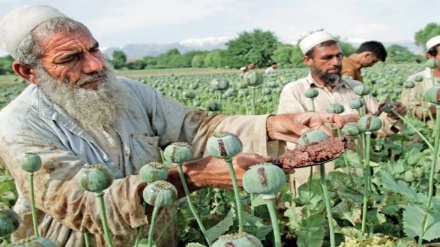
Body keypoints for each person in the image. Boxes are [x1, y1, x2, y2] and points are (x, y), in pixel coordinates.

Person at [0, 5, 349, 247]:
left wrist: (273, 124)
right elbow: (85, 206)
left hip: (157, 237)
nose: (95, 65)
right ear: (28, 72)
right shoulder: (18, 125)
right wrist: (191, 176)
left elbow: (198, 128)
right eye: (71, 58)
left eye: (95, 49)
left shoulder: (129, 92)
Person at [277, 31, 406, 194]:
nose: (336, 62)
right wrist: (346, 122)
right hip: (314, 182)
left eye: (339, 56)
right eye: (327, 58)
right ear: (308, 60)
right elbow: (294, 136)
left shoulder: (357, 88)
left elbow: (376, 127)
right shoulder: (294, 90)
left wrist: (392, 116)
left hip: (355, 177)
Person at [401, 35, 440, 122]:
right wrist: (435, 109)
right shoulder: (415, 81)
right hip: (428, 132)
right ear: (430, 56)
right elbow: (408, 110)